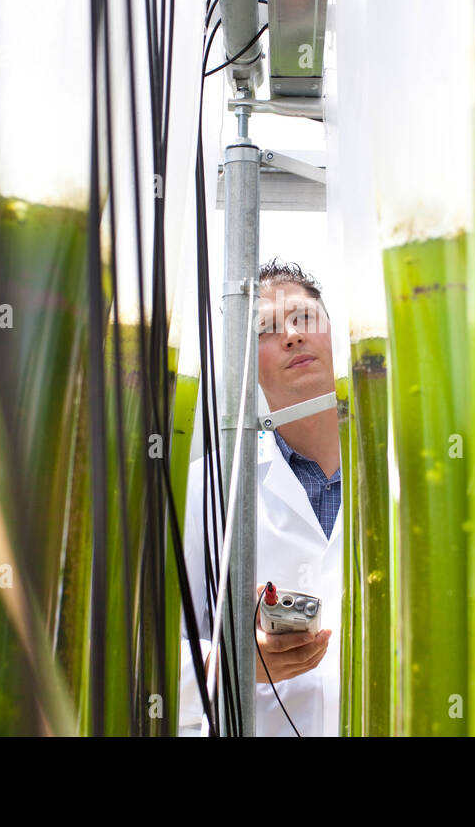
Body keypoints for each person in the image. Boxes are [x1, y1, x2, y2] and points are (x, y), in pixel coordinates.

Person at [177, 259, 343, 736]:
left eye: (304, 317)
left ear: (338, 335)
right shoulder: (208, 488)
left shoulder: (402, 478)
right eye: (265, 330)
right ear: (246, 364)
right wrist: (231, 663)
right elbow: (146, 649)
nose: (291, 334)